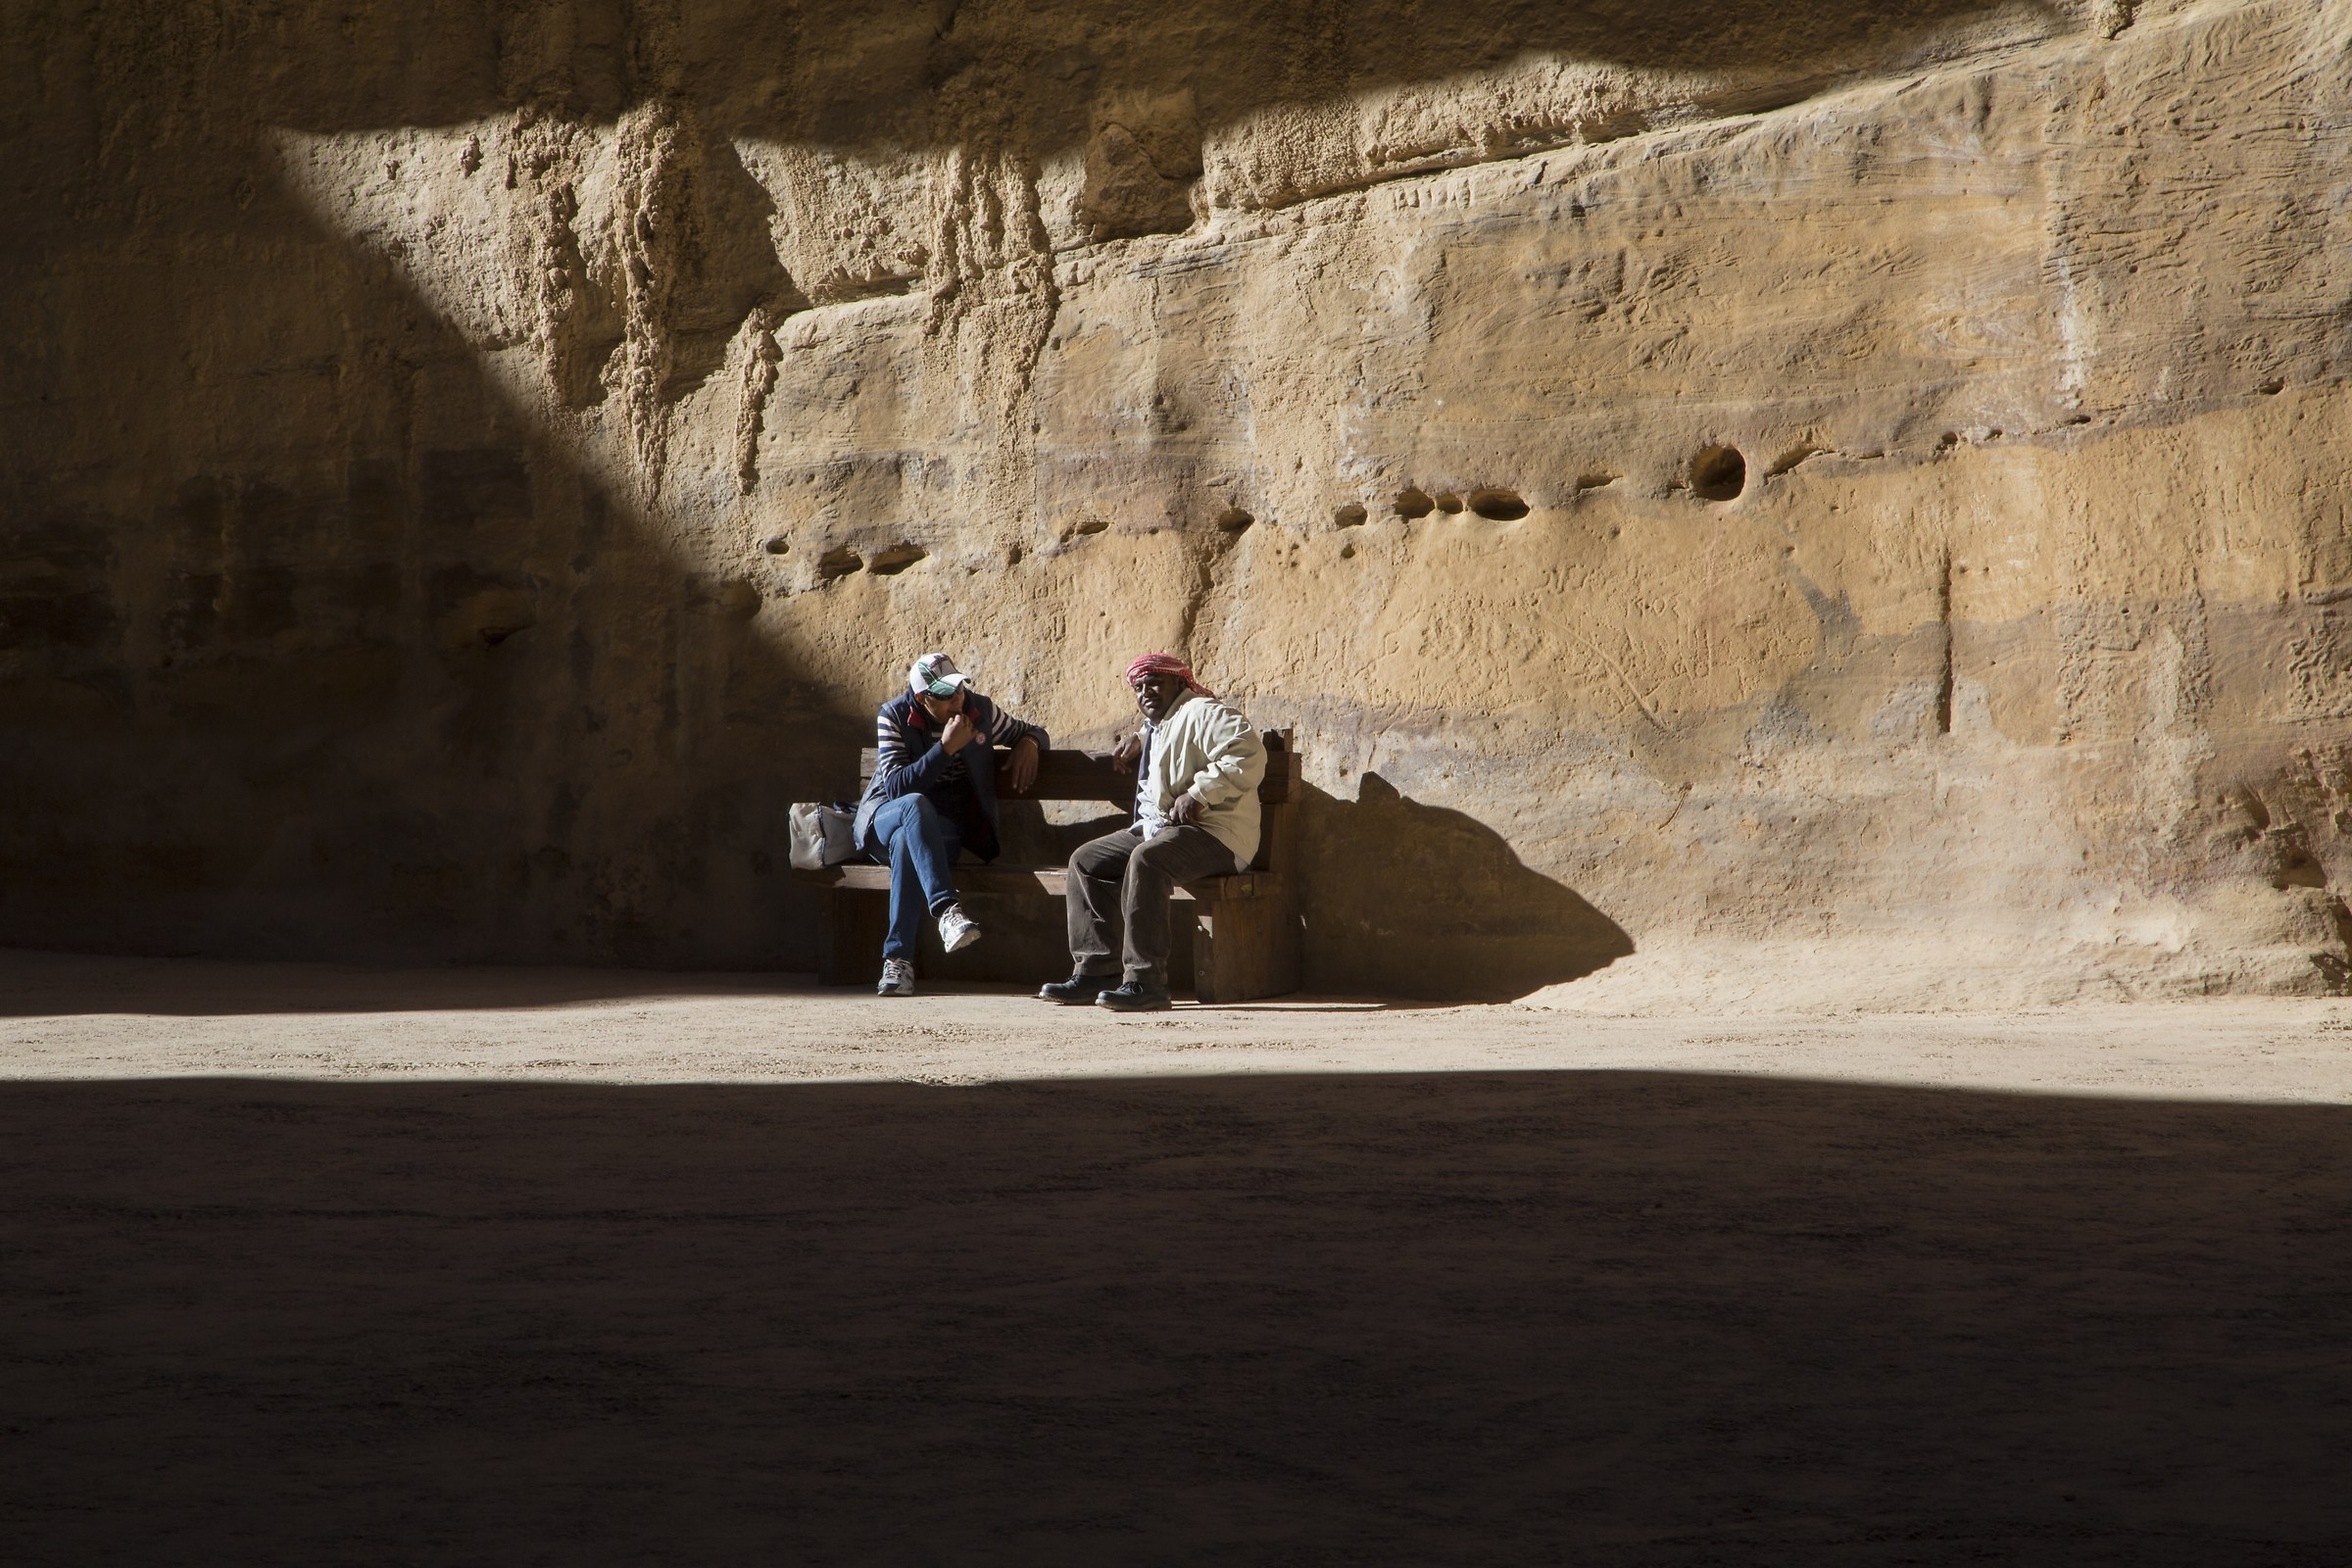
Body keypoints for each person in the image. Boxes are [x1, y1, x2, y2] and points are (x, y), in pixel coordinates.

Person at [1040, 654, 1265, 1012]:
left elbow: (1248, 753)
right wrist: (1140, 735)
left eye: (1155, 683)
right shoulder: (1158, 726)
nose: (1146, 692)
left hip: (1218, 834)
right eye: (1139, 687)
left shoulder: (1205, 712)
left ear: (1179, 683)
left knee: (1148, 860)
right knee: (1086, 861)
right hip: (1161, 830)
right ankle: (1096, 970)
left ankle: (1146, 982)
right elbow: (1162, 733)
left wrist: (1201, 793)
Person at [856, 653, 1047, 997]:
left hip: (936, 834)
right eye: (944, 695)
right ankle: (947, 909)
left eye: (958, 689)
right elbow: (897, 788)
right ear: (921, 699)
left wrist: (1031, 743)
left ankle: (897, 962)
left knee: (907, 844)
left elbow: (1030, 730)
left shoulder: (980, 712)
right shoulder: (895, 716)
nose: (956, 700)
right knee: (913, 806)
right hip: (885, 817)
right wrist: (944, 749)